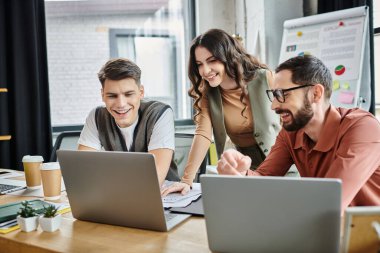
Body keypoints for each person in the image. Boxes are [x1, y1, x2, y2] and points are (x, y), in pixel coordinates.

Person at [217, 55, 380, 210]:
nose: (274, 106)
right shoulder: (291, 133)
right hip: (330, 230)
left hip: (369, 233)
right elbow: (263, 179)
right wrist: (240, 173)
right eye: (274, 95)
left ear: (316, 93)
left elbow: (330, 201)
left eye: (283, 94)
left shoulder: (364, 128)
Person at [161, 28, 281, 196]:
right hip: (243, 170)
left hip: (283, 164)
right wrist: (186, 180)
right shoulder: (208, 93)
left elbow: (291, 124)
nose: (205, 70)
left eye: (212, 61)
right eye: (199, 64)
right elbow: (202, 134)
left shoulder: (265, 78)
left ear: (228, 56)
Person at [78, 58, 179, 185]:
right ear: (102, 95)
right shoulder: (96, 117)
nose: (121, 104)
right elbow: (82, 170)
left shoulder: (159, 113)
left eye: (128, 94)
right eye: (112, 96)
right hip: (116, 194)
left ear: (140, 92)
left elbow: (154, 179)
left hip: (165, 196)